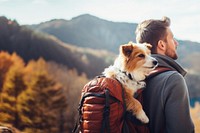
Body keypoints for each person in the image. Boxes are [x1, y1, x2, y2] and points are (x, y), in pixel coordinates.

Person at [135, 16, 195, 133]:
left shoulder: (131, 78)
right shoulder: (172, 79)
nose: (176, 43)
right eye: (172, 38)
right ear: (162, 45)